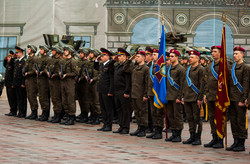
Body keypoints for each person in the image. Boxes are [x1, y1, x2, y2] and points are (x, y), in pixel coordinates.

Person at [227, 47, 249, 152]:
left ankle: (241, 143)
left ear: (242, 55)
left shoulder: (245, 67)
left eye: (236, 54)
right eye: (234, 53)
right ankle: (235, 141)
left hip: (239, 98)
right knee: (233, 121)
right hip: (231, 98)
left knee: (240, 121)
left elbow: (246, 84)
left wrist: (244, 98)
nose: (234, 55)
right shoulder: (232, 67)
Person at [182, 50, 205, 145]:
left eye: (192, 57)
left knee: (197, 119)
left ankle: (198, 137)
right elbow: (184, 84)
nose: (190, 59)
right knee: (190, 118)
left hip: (195, 98)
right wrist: (183, 96)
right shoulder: (188, 69)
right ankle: (191, 136)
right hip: (187, 97)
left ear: (197, 59)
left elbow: (202, 85)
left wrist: (200, 98)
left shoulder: (201, 69)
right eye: (189, 57)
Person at [124, 50, 149, 137]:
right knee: (137, 112)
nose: (136, 58)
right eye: (136, 57)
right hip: (134, 93)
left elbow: (147, 83)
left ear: (143, 58)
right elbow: (125, 69)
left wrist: (146, 94)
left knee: (143, 112)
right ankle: (139, 127)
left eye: (138, 57)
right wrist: (130, 60)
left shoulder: (146, 68)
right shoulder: (135, 67)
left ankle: (143, 128)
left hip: (141, 94)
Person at [203, 46, 224, 148]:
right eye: (212, 52)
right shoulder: (209, 66)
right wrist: (205, 94)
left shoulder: (224, 66)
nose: (213, 53)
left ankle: (220, 139)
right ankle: (214, 137)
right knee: (212, 118)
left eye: (215, 52)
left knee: (219, 118)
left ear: (220, 53)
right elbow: (206, 82)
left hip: (219, 97)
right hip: (210, 96)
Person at [165, 49, 185, 142]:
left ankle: (178, 134)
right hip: (169, 96)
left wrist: (179, 97)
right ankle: (173, 133)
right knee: (170, 116)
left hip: (176, 96)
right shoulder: (168, 68)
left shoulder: (180, 69)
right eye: (170, 56)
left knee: (177, 116)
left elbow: (182, 84)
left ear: (177, 57)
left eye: (172, 56)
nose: (170, 58)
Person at [146, 48, 165, 139]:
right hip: (152, 93)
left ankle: (159, 131)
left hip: (158, 93)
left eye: (155, 54)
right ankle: (155, 129)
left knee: (159, 113)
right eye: (152, 54)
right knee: (153, 112)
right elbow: (148, 81)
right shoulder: (151, 66)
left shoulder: (161, 66)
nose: (153, 56)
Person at [112, 48, 131, 134]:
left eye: (121, 56)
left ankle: (126, 128)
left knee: (125, 110)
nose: (119, 57)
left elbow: (128, 80)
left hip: (123, 91)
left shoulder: (126, 67)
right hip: (117, 91)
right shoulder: (118, 66)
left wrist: (127, 92)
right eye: (118, 56)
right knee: (119, 110)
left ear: (126, 57)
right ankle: (121, 126)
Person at [59, 45, 78, 125]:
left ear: (70, 51)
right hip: (63, 82)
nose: (65, 52)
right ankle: (67, 116)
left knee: (70, 100)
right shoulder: (64, 61)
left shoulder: (73, 61)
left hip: (70, 82)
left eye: (66, 50)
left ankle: (71, 117)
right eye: (64, 50)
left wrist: (67, 75)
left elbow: (76, 72)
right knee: (64, 100)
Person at [97, 48, 114, 131]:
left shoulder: (110, 65)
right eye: (101, 56)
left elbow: (111, 79)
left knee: (108, 109)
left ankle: (109, 125)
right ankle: (104, 124)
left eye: (103, 56)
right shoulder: (101, 65)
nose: (101, 57)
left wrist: (111, 91)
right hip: (101, 89)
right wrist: (96, 60)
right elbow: (95, 67)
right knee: (103, 108)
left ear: (108, 56)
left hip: (107, 90)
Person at [46, 45, 63, 123]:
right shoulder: (51, 60)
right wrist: (47, 72)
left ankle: (58, 115)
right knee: (53, 98)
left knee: (57, 98)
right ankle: (55, 114)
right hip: (51, 81)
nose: (52, 52)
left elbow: (61, 71)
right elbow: (46, 67)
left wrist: (55, 74)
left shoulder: (60, 60)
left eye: (53, 50)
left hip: (57, 81)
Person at [84, 49, 101, 125]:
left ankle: (97, 117)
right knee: (90, 100)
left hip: (96, 84)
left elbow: (100, 74)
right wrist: (85, 76)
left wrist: (94, 79)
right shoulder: (88, 63)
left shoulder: (99, 64)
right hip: (89, 83)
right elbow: (85, 70)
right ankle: (92, 115)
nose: (89, 54)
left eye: (91, 53)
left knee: (96, 101)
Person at [36, 44, 51, 121]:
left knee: (44, 97)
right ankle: (43, 112)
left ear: (45, 50)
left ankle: (46, 113)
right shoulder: (40, 58)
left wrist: (43, 71)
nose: (40, 51)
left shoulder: (48, 59)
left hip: (45, 80)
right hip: (40, 79)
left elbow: (47, 68)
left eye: (41, 49)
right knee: (41, 97)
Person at [75, 47, 90, 123]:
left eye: (81, 53)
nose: (80, 54)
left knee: (85, 99)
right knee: (80, 99)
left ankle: (85, 114)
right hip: (79, 82)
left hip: (84, 83)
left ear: (85, 54)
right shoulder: (78, 61)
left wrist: (81, 76)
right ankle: (82, 112)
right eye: (79, 53)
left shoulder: (87, 62)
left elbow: (85, 71)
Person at [24, 44, 39, 120]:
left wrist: (28, 73)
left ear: (32, 50)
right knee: (29, 96)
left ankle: (35, 112)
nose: (27, 50)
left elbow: (35, 69)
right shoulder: (28, 58)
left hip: (32, 80)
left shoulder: (35, 58)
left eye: (29, 49)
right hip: (27, 79)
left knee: (32, 95)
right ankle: (32, 111)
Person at [13, 46, 27, 118]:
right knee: (18, 98)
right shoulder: (17, 61)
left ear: (21, 53)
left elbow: (24, 73)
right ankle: (20, 111)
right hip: (17, 83)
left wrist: (23, 83)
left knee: (22, 98)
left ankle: (23, 112)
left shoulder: (24, 61)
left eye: (17, 53)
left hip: (21, 83)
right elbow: (15, 72)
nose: (16, 54)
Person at [4, 50, 17, 116]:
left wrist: (12, 58)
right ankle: (11, 110)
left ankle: (14, 111)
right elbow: (4, 64)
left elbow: (12, 62)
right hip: (7, 84)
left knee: (12, 98)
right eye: (8, 57)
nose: (8, 58)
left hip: (11, 84)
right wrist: (5, 59)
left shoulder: (12, 64)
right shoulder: (8, 64)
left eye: (9, 57)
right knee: (9, 98)